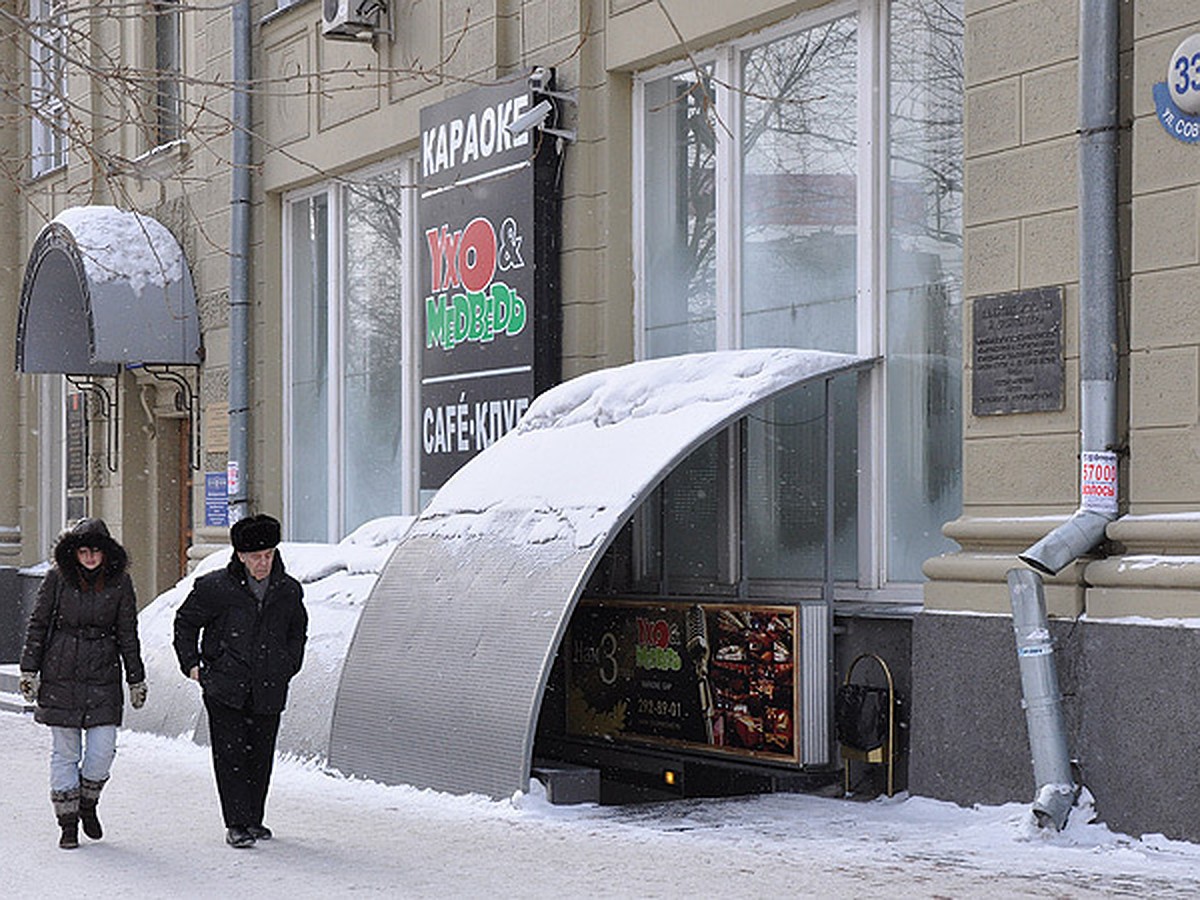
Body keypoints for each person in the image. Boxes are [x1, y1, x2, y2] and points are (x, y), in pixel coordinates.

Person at [172, 513, 307, 849]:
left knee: (260, 755)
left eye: (269, 555)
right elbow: (185, 624)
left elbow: (297, 633)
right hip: (224, 687)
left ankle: (254, 819)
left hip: (268, 686)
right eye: (256, 556)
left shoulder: (288, 590)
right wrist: (193, 665)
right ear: (241, 556)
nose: (263, 563)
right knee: (230, 755)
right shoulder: (215, 588)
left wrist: (287, 665)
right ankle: (236, 823)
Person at [18, 518, 147, 850]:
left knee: (102, 752)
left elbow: (128, 634)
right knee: (65, 752)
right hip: (61, 673)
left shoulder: (119, 584)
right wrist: (29, 670)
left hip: (103, 675)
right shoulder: (57, 580)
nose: (90, 558)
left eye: (96, 552)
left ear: (106, 553)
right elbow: (38, 624)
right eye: (84, 551)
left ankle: (88, 803)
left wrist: (136, 677)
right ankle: (67, 823)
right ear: (73, 553)